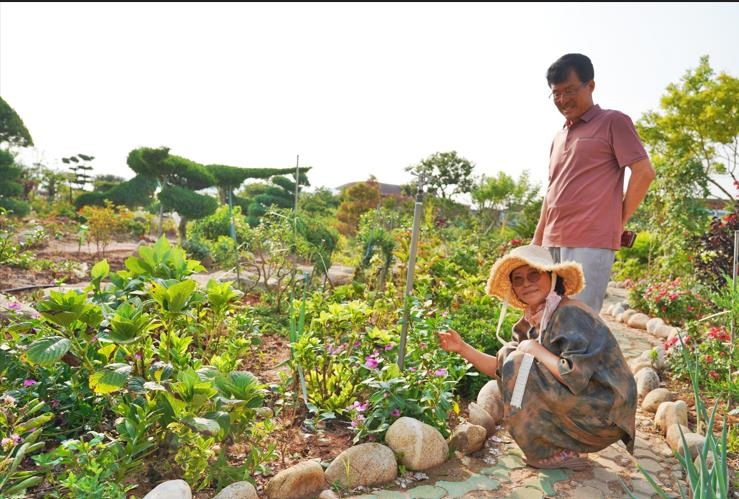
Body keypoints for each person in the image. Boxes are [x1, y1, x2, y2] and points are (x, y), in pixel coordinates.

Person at [437, 244, 637, 471]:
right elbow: (501, 368)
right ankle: (556, 446)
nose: (526, 283)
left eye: (534, 274)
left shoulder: (570, 312)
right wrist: (462, 347)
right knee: (511, 356)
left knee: (520, 359)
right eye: (518, 279)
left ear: (552, 277)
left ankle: (547, 452)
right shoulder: (534, 320)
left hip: (605, 417)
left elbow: (575, 376)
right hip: (589, 410)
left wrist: (535, 349)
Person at [533, 53, 656, 313]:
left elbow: (644, 172)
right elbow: (552, 190)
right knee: (545, 320)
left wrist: (617, 222)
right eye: (556, 93)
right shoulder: (558, 136)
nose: (563, 100)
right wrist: (536, 242)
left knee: (579, 321)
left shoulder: (613, 122)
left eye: (570, 90)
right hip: (551, 241)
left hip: (590, 242)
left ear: (590, 85)